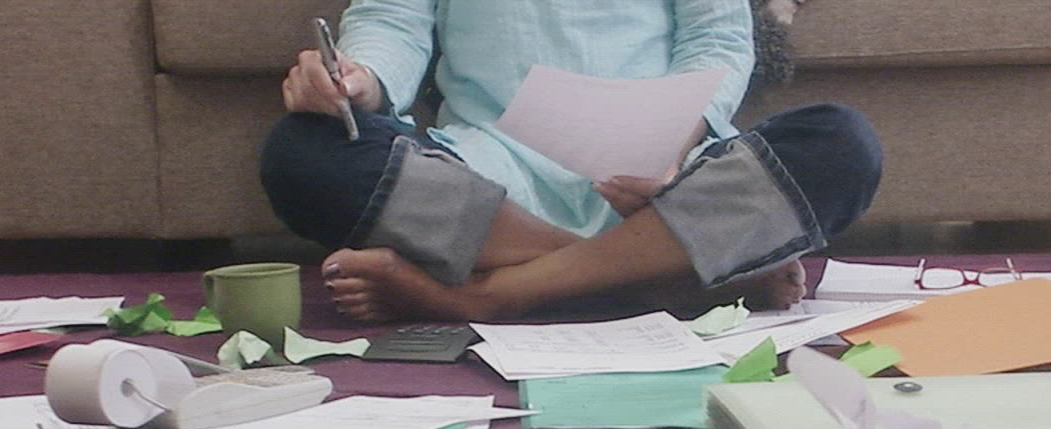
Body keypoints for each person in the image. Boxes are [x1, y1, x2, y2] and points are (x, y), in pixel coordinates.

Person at [260, 0, 882, 324]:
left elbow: (716, 42)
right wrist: (357, 80)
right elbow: (392, 23)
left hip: (664, 177)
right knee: (304, 152)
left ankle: (496, 295)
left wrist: (667, 148)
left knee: (840, 144)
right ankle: (658, 280)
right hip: (488, 169)